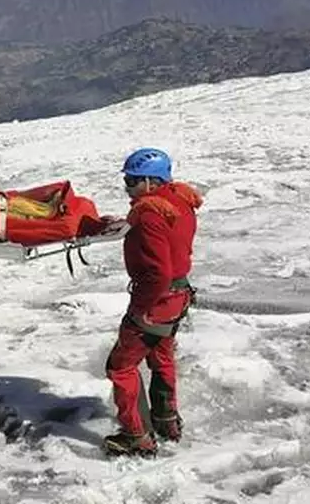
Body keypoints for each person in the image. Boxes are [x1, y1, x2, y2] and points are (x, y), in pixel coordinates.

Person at [102, 147, 203, 457]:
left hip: (157, 301)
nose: (128, 187)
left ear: (149, 181)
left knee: (121, 366)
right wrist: (127, 223)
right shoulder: (179, 201)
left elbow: (158, 272)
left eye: (132, 181)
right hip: (178, 297)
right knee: (161, 357)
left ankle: (136, 435)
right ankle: (166, 420)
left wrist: (142, 309)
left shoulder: (149, 214)